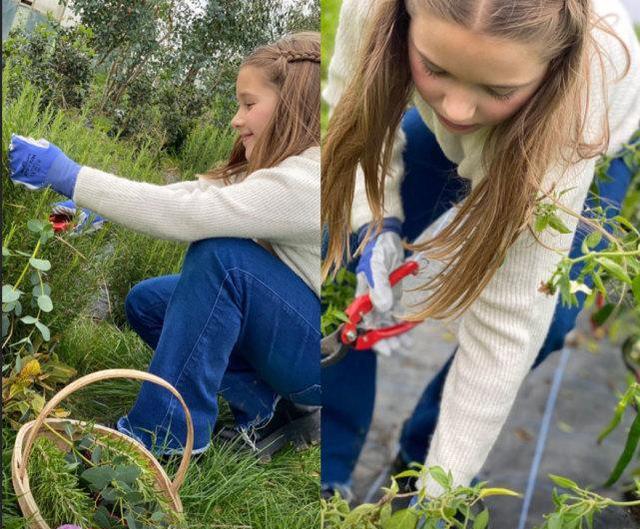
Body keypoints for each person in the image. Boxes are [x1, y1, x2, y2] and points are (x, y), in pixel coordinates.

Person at [321, 0, 640, 502]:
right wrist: (375, 222)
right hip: (512, 97)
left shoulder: (583, 88)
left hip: (583, 138)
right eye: (434, 67)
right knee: (338, 250)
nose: (455, 110)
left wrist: (439, 494)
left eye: (495, 89)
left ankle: (420, 466)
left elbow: (509, 322)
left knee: (551, 316)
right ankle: (329, 464)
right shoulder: (374, 9)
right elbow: (356, 123)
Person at [9, 32, 322, 458]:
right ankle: (268, 408)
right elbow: (190, 197)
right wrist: (90, 203)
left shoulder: (312, 179)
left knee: (223, 261)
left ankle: (161, 439)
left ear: (294, 106)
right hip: (301, 331)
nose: (236, 118)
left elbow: (191, 217)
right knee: (148, 303)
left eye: (249, 104)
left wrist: (69, 174)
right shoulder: (275, 167)